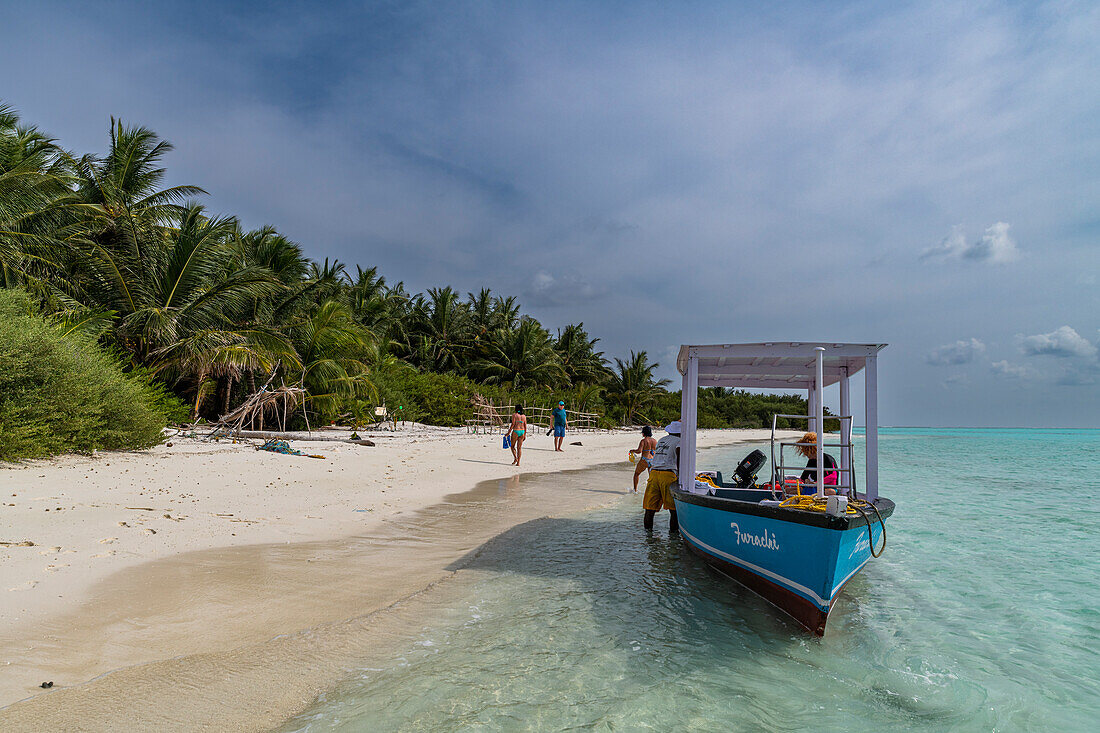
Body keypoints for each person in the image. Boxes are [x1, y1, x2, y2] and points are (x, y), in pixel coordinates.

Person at [642, 421, 681, 532]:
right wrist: (680, 476)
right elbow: (679, 460)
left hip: (654, 473)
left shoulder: (662, 440)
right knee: (674, 510)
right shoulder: (679, 441)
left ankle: (648, 536)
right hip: (668, 475)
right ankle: (673, 537)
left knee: (649, 509)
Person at [628, 425, 657, 493]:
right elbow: (656, 451)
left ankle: (635, 490)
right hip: (652, 460)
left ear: (644, 433)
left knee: (636, 474)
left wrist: (632, 450)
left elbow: (639, 451)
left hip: (644, 459)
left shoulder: (643, 441)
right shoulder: (654, 441)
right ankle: (652, 491)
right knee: (651, 477)